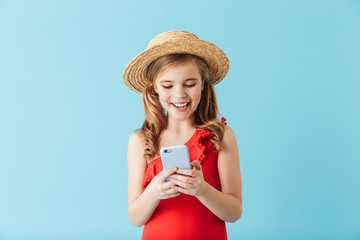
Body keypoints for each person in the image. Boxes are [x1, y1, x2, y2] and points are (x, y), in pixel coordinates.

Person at [123, 30, 242, 240]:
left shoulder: (221, 136)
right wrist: (153, 192)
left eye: (190, 84)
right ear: (155, 89)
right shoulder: (141, 141)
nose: (179, 94)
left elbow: (234, 212)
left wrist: (202, 189)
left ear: (203, 84)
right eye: (168, 85)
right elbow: (135, 217)